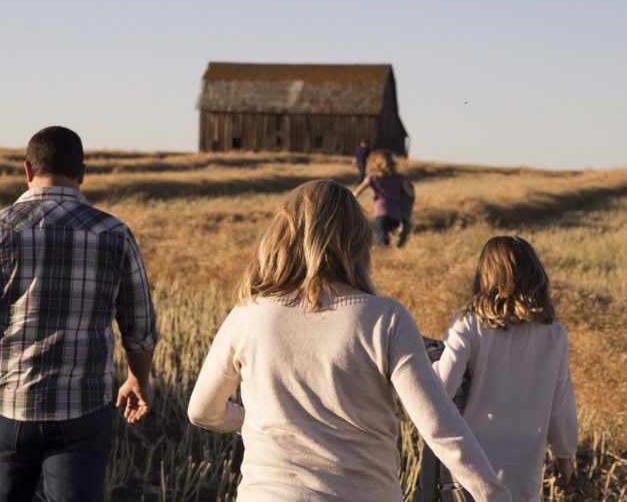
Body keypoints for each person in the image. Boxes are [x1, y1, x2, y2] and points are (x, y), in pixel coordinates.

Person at [187, 180, 512, 502]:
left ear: (281, 236)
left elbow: (202, 411)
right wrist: (494, 495)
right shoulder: (386, 318)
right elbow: (440, 429)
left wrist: (259, 423)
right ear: (357, 241)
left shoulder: (248, 315)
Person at [0, 126, 158, 502]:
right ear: (82, 174)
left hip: (7, 407)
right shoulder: (113, 233)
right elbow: (139, 327)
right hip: (83, 410)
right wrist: (137, 378)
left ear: (28, 170)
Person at [436, 236, 577, 502]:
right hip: (527, 456)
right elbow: (562, 401)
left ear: (484, 275)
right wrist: (564, 454)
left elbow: (442, 386)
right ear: (535, 274)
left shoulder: (468, 324)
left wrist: (430, 363)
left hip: (474, 457)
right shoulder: (554, 333)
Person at [354, 149, 413, 247]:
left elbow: (356, 193)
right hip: (396, 216)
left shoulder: (372, 177)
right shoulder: (399, 178)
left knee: (381, 245)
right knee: (392, 244)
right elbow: (410, 193)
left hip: (381, 214)